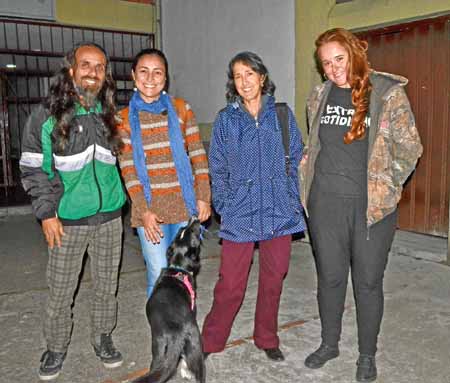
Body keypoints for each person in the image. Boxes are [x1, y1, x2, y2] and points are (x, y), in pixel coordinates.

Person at [300, 28, 423, 382]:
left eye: (339, 58)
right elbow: (316, 145)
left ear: (354, 53)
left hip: (371, 210)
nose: (334, 68)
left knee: (367, 283)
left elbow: (410, 148)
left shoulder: (386, 94)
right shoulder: (319, 96)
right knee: (330, 278)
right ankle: (329, 343)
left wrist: (388, 184)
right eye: (326, 63)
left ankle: (367, 355)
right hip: (325, 205)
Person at [20, 42, 127, 380]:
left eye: (99, 67)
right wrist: (47, 213)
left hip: (110, 218)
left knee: (106, 286)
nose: (93, 72)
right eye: (86, 65)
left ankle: (102, 337)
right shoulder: (47, 115)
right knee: (62, 290)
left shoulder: (111, 113)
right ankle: (55, 346)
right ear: (71, 70)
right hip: (66, 221)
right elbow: (34, 168)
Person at [202, 51, 306, 362]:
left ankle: (266, 337)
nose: (245, 81)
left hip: (279, 211)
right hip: (239, 212)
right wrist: (224, 203)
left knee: (273, 280)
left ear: (262, 77)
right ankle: (210, 340)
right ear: (232, 83)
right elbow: (217, 166)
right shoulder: (226, 119)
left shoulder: (283, 115)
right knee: (231, 285)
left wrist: (290, 198)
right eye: (238, 75)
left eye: (250, 74)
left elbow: (296, 158)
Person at [117, 48, 211, 298]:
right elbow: (128, 170)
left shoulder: (181, 109)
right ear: (133, 76)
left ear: (165, 77)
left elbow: (198, 154)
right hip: (149, 210)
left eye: (157, 72)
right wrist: (143, 211)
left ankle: (182, 330)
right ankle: (160, 335)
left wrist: (203, 197)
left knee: (182, 273)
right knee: (158, 273)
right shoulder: (123, 119)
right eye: (144, 72)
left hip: (183, 204)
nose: (150, 78)